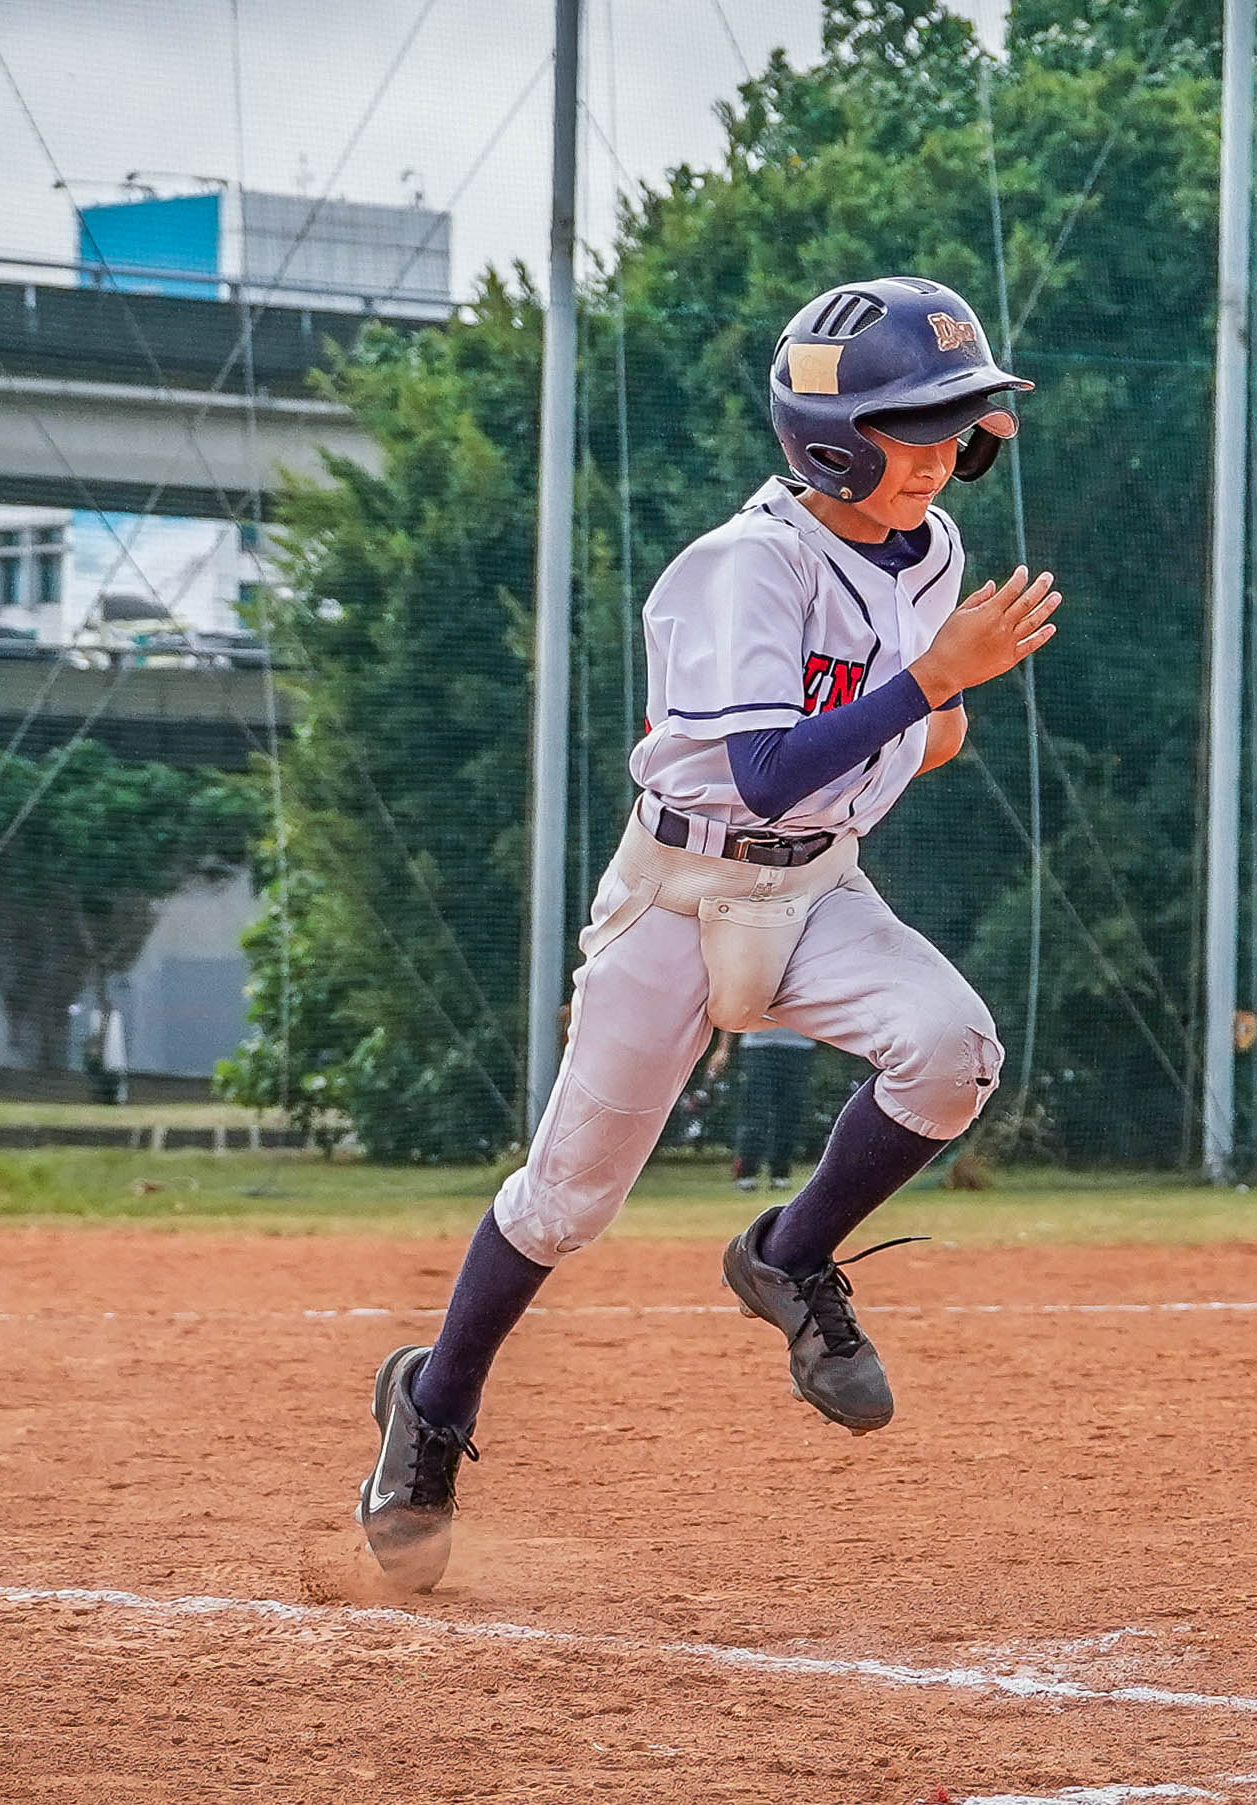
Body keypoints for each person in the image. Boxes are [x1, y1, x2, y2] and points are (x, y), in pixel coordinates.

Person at [358, 275, 1060, 1591]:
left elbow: (895, 737)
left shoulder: (933, 551)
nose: (940, 454)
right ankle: (432, 1406)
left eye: (954, 426)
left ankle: (787, 1256)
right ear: (830, 440)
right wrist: (932, 682)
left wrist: (924, 714)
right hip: (679, 895)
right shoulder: (746, 565)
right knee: (566, 1202)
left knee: (952, 1052)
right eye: (913, 427)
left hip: (818, 888)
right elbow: (764, 772)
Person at [712, 1026, 819, 1191]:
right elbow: (733, 1011)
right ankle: (746, 1173)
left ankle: (780, 1174)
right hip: (758, 1048)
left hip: (799, 1049)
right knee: (754, 1112)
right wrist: (722, 1048)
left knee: (790, 1114)